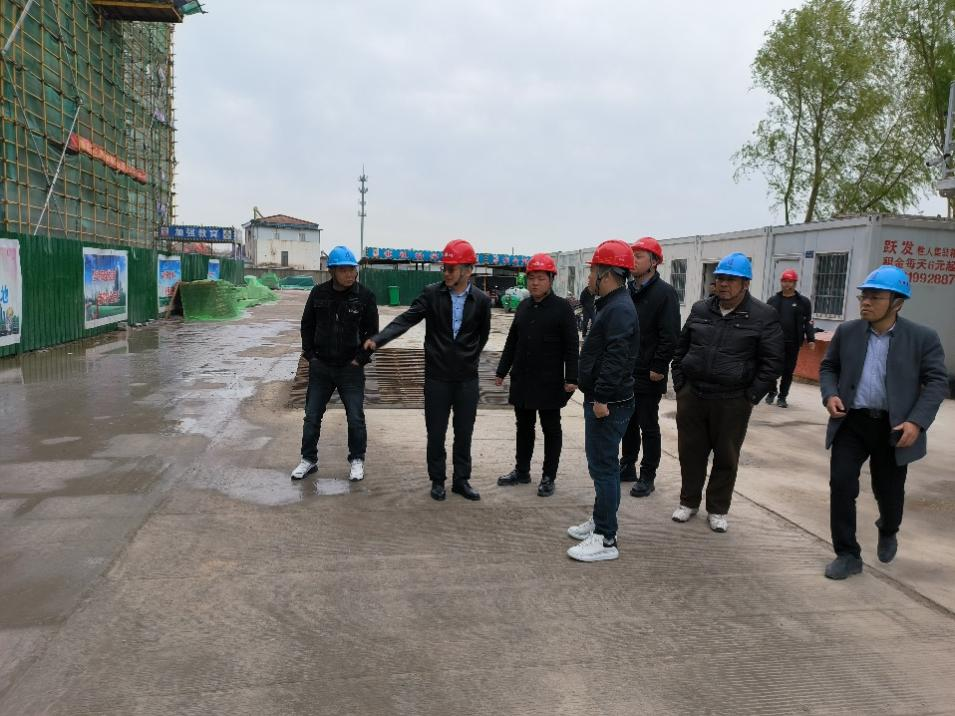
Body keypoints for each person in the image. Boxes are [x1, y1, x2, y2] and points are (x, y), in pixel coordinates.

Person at [818, 266, 947, 580]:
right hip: (852, 422)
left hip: (894, 428)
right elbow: (829, 367)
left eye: (875, 297)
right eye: (864, 296)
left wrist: (916, 422)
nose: (866, 302)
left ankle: (888, 528)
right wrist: (830, 394)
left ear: (897, 303)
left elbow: (937, 382)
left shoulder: (922, 338)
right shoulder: (848, 332)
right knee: (842, 485)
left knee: (889, 492)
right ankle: (847, 554)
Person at [363, 239, 491, 502]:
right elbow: (406, 319)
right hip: (437, 379)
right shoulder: (432, 294)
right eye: (444, 268)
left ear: (468, 270)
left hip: (466, 380)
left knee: (464, 433)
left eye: (451, 269)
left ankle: (461, 481)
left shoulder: (481, 301)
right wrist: (378, 339)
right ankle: (438, 481)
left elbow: (483, 336)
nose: (446, 273)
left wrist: (467, 359)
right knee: (436, 433)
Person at [670, 252, 784, 533]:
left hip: (733, 400)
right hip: (693, 395)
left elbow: (773, 362)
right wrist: (681, 384)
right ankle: (688, 502)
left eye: (731, 279)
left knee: (726, 456)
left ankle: (718, 509)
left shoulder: (763, 315)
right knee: (691, 453)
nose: (723, 284)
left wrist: (751, 396)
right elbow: (681, 348)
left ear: (745, 284)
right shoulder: (700, 309)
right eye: (720, 278)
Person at [566, 240, 639, 562]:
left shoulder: (619, 308)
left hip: (608, 403)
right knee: (601, 467)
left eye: (592, 271)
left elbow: (616, 358)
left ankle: (606, 538)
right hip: (604, 398)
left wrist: (601, 398)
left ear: (606, 274)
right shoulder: (611, 304)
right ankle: (600, 521)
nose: (588, 277)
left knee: (604, 468)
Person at [292, 246, 379, 482]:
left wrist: (360, 359)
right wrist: (311, 356)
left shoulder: (365, 296)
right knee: (312, 416)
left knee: (355, 417)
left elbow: (372, 333)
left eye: (353, 269)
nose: (350, 274)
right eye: (344, 270)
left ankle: (357, 460)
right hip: (321, 367)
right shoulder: (318, 294)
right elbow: (307, 325)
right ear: (332, 271)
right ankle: (308, 459)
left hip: (350, 369)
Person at [495, 253, 579, 497]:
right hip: (523, 378)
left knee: (551, 429)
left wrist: (572, 378)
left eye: (541, 278)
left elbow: (572, 345)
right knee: (523, 427)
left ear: (551, 279)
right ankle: (522, 471)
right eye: (531, 278)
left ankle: (548, 476)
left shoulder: (562, 308)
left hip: (549, 382)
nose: (535, 283)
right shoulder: (523, 306)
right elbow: (512, 342)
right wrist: (502, 371)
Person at [619, 236, 681, 497]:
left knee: (648, 424)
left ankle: (648, 474)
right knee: (627, 422)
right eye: (632, 255)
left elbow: (671, 334)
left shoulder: (665, 293)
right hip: (627, 369)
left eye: (639, 256)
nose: (633, 261)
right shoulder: (627, 291)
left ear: (654, 262)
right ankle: (627, 465)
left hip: (649, 372)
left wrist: (659, 365)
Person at [766, 269, 815, 408]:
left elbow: (808, 321)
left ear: (795, 283)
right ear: (781, 282)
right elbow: (766, 321)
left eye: (790, 282)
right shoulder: (773, 300)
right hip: (774, 341)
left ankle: (782, 397)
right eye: (785, 281)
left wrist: (811, 339)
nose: (787, 284)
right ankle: (772, 391)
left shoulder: (803, 302)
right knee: (771, 368)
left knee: (788, 371)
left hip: (793, 342)